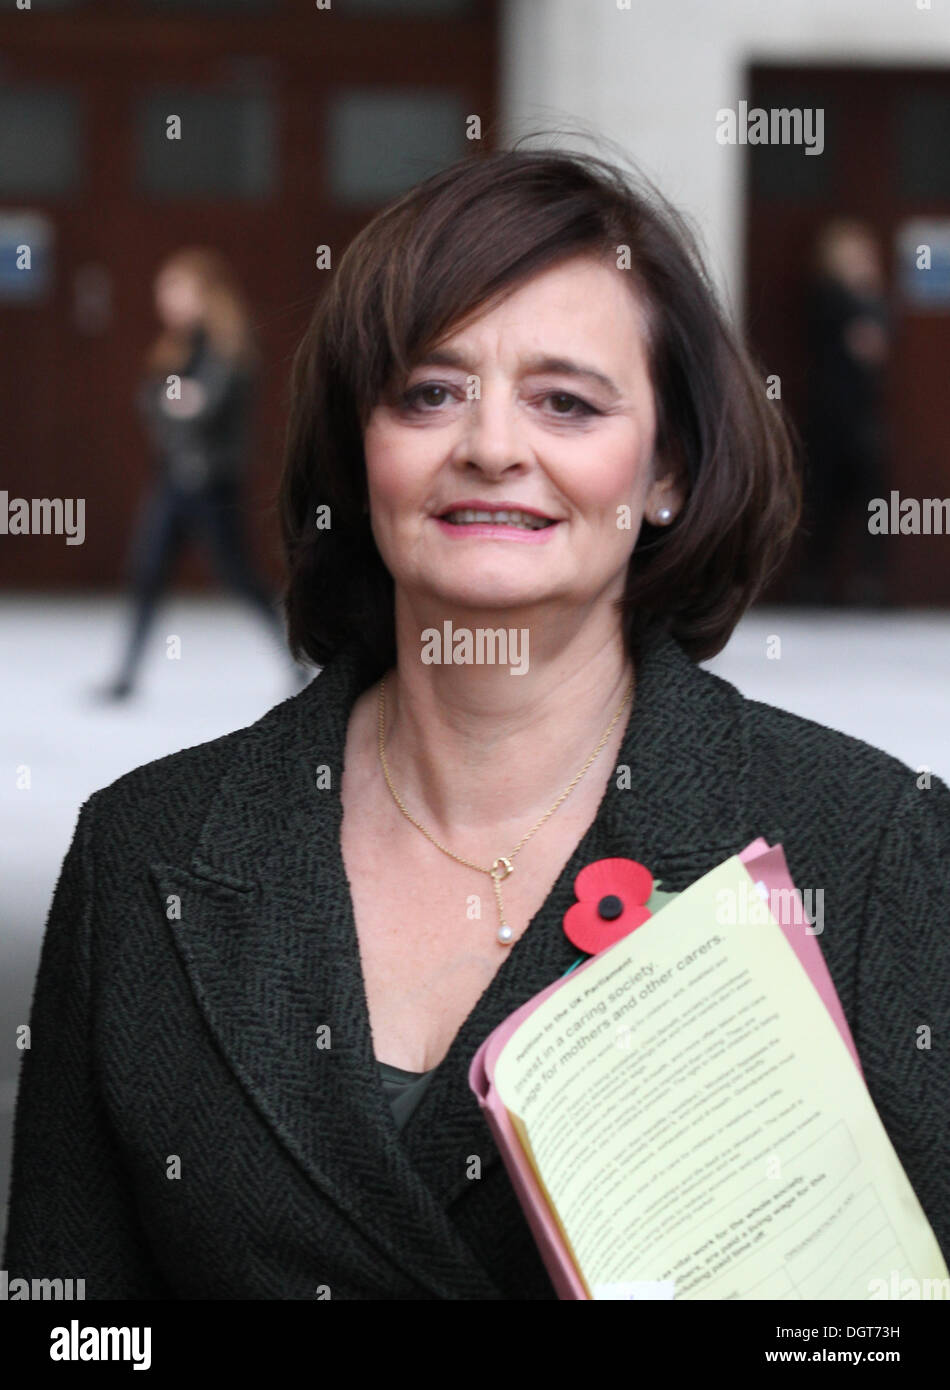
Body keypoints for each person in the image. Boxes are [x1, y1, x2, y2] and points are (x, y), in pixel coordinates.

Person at [5, 147, 948, 1299]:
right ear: (363, 453)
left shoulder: (868, 848)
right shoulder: (145, 854)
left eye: (565, 400)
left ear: (666, 471)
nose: (491, 446)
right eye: (429, 392)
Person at [99, 247, 291, 699]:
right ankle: (126, 674)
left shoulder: (229, 347)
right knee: (147, 572)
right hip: (172, 480)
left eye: (175, 289)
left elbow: (206, 407)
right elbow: (155, 402)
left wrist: (183, 402)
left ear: (205, 292)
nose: (166, 300)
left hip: (213, 482)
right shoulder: (176, 347)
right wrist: (180, 400)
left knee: (238, 574)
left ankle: (292, 656)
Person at [799, 219, 891, 605]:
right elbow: (863, 345)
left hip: (862, 415)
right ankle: (812, 582)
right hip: (831, 415)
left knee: (874, 499)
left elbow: (877, 346)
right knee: (824, 500)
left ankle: (869, 583)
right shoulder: (829, 298)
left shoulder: (871, 299)